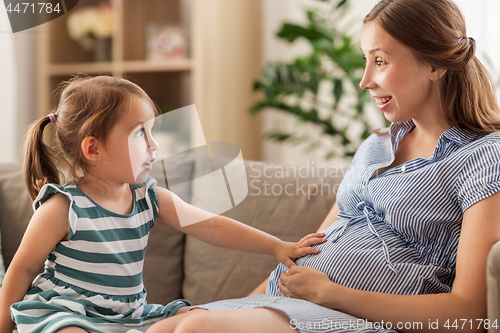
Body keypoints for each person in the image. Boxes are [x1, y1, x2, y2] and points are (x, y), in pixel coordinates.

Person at [146, 0, 500, 332]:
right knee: (162, 328)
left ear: (435, 65)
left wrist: (331, 294)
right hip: (291, 304)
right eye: (365, 60)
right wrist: (250, 303)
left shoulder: (483, 157)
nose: (365, 81)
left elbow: (470, 313)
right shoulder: (376, 144)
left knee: (196, 328)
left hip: (354, 316)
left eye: (380, 62)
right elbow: (312, 247)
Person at [0, 75, 327, 333]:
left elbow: (212, 226)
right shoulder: (62, 208)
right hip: (68, 312)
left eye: (152, 130)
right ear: (93, 149)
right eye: (140, 133)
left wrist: (275, 247)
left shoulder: (149, 197)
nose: (155, 145)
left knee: (193, 317)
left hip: (129, 315)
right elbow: (23, 268)